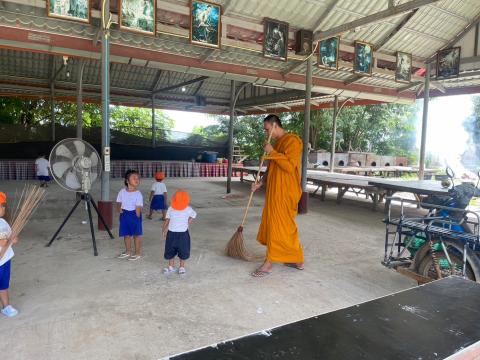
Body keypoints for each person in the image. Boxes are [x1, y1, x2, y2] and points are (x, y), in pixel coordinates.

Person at [251, 114, 304, 277]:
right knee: (282, 227)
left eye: (267, 129)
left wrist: (272, 151)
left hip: (286, 192)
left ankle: (269, 262)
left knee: (281, 226)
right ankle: (296, 259)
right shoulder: (277, 143)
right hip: (275, 190)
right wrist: (261, 182)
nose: (267, 134)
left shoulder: (293, 141)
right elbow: (273, 167)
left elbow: (288, 166)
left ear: (275, 125)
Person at [162, 190, 196, 275]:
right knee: (170, 250)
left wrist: (188, 222)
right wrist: (164, 229)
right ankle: (171, 266)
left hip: (183, 234)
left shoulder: (188, 209)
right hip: (171, 233)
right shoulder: (171, 208)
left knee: (183, 251)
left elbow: (194, 215)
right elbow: (167, 219)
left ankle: (182, 267)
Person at [117, 170, 143, 261]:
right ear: (127, 181)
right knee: (126, 234)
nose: (137, 180)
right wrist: (119, 210)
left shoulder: (138, 194)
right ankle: (128, 251)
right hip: (124, 215)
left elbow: (138, 207)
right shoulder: (122, 191)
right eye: (134, 178)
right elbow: (119, 202)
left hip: (134, 215)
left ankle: (137, 253)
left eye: (138, 178)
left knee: (136, 235)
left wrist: (137, 218)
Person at [0, 192, 19, 317]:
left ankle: (6, 307)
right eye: (0, 206)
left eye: (3, 206)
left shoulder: (3, 222)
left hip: (5, 260)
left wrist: (13, 239)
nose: (3, 209)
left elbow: (11, 235)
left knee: (3, 285)